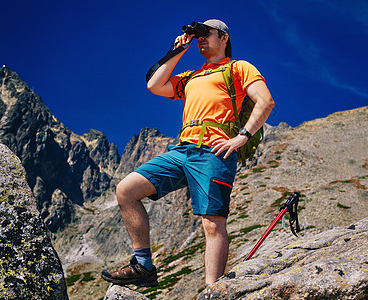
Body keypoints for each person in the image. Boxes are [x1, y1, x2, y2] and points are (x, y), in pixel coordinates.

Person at [101, 19, 275, 288]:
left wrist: (241, 138)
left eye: (207, 34)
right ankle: (144, 266)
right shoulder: (193, 76)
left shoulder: (238, 68)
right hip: (182, 150)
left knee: (213, 224)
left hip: (214, 152)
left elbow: (266, 101)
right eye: (198, 36)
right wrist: (178, 50)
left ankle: (211, 289)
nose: (201, 39)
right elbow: (154, 85)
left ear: (224, 38)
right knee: (126, 190)